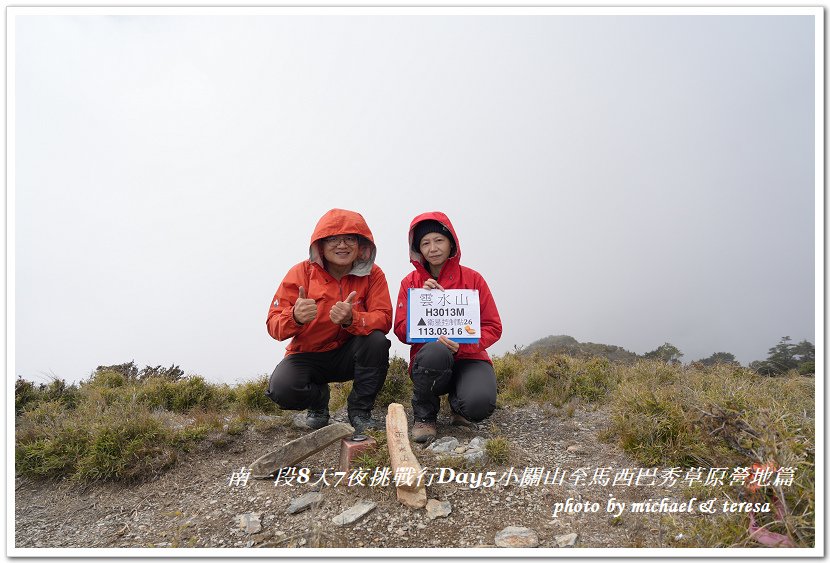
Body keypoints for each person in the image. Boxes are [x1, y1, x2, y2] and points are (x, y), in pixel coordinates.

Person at [265, 208, 392, 434]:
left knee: (377, 341)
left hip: (349, 353)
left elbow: (384, 318)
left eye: (349, 238)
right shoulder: (301, 272)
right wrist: (294, 317)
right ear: (320, 245)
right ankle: (318, 401)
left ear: (361, 244)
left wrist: (354, 318)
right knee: (282, 389)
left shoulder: (374, 274)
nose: (341, 245)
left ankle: (360, 411)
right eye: (333, 239)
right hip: (307, 355)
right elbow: (273, 325)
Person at [393, 212, 502, 443]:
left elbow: (493, 326)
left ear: (451, 242)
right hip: (430, 359)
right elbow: (401, 330)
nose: (433, 248)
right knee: (435, 351)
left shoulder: (474, 279)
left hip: (470, 357)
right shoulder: (410, 284)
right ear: (418, 249)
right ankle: (424, 415)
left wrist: (462, 346)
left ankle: (459, 406)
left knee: (478, 405)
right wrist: (420, 300)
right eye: (425, 243)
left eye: (439, 240)